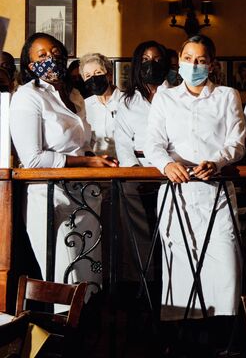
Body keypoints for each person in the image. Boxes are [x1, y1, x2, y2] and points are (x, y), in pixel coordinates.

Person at [144, 34, 245, 323]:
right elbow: (153, 143)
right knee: (181, 268)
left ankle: (223, 336)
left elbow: (237, 142)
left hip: (216, 192)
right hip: (178, 193)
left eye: (201, 60)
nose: (194, 64)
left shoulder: (227, 95)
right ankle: (182, 338)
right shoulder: (165, 97)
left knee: (225, 268)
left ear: (211, 65)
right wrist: (165, 165)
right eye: (188, 59)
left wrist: (217, 161)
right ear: (179, 60)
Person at [9, 33, 118, 288]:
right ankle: (61, 326)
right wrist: (88, 164)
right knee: (64, 276)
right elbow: (33, 159)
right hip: (51, 197)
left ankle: (86, 325)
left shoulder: (76, 97)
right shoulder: (28, 97)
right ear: (29, 65)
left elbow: (82, 145)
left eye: (56, 53)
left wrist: (93, 157)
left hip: (86, 196)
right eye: (43, 55)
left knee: (90, 276)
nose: (51, 58)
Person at [114, 40, 171, 281]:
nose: (152, 65)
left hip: (170, 170)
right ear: (138, 65)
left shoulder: (176, 94)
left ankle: (172, 279)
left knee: (169, 230)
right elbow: (123, 142)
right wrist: (137, 173)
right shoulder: (127, 101)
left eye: (157, 60)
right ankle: (144, 283)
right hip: (138, 174)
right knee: (141, 235)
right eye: (146, 60)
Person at [80, 53, 123, 157]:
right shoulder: (84, 105)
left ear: (109, 75)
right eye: (88, 75)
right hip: (96, 165)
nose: (93, 79)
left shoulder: (126, 101)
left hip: (125, 164)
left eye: (98, 72)